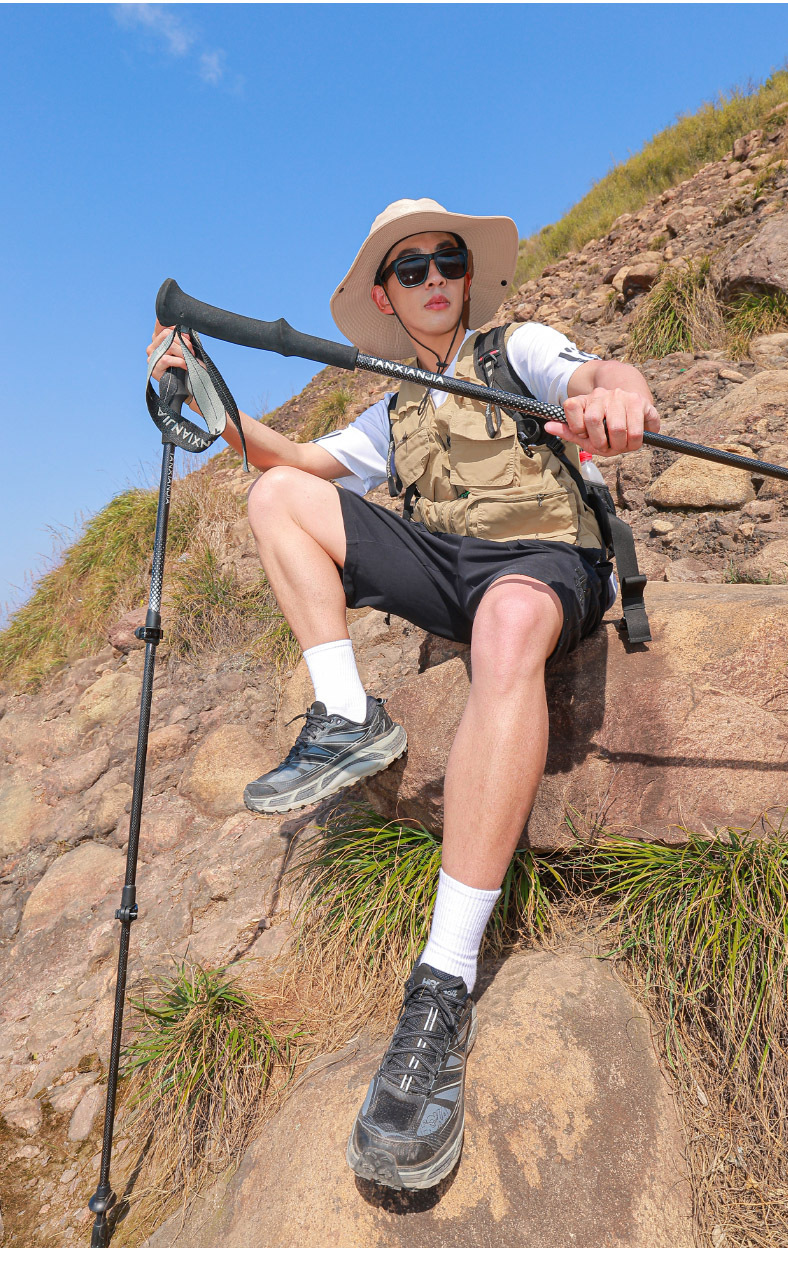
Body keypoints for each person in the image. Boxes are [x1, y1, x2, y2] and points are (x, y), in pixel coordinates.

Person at [148, 197, 660, 1193]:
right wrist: (204, 391)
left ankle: (444, 979)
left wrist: (621, 395)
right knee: (276, 496)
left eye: (447, 261)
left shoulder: (518, 348)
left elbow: (597, 376)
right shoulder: (391, 406)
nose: (433, 278)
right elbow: (296, 463)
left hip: (543, 560)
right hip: (448, 568)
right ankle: (346, 714)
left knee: (506, 624)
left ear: (467, 276)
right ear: (385, 294)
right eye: (411, 267)